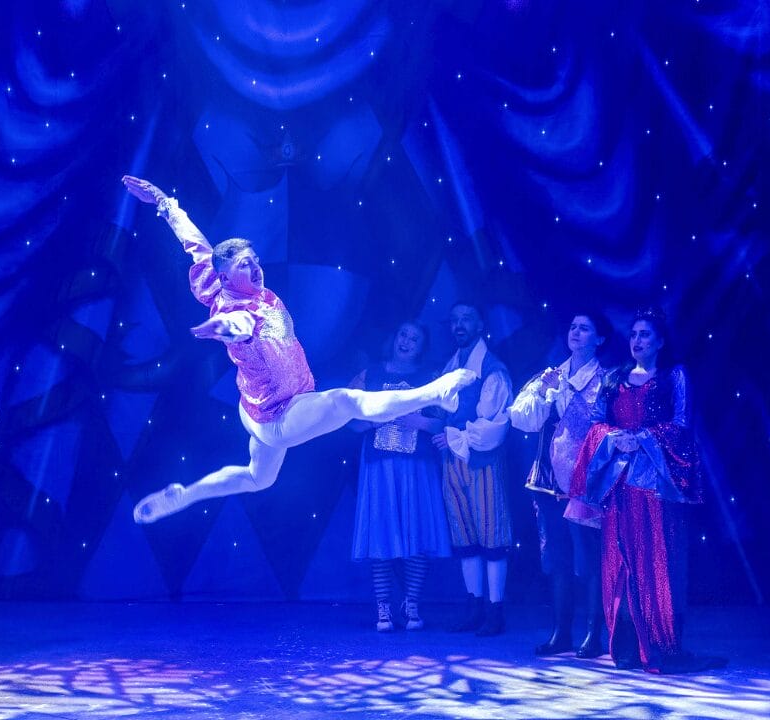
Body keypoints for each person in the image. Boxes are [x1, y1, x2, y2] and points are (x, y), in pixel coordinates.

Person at [121, 175, 475, 524]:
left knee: (258, 478)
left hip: (257, 411)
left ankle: (185, 495)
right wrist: (218, 329)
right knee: (346, 401)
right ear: (227, 277)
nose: (256, 268)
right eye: (245, 265)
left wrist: (165, 203)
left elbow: (194, 242)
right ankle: (436, 393)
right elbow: (236, 326)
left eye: (254, 259)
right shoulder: (239, 312)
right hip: (282, 414)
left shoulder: (221, 281)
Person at [569, 307, 717, 673]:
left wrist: (644, 438)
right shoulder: (615, 378)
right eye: (634, 334)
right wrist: (614, 437)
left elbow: (682, 425)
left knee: (657, 560)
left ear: (660, 341)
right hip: (620, 487)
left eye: (645, 334)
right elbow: (596, 423)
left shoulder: (673, 376)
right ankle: (626, 646)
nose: (637, 340)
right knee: (619, 558)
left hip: (656, 487)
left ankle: (661, 642)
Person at [509, 312, 609, 657]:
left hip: (586, 481)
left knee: (589, 558)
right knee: (556, 557)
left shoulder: (606, 380)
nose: (576, 332)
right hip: (549, 480)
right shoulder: (551, 376)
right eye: (573, 326)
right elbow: (520, 418)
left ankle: (593, 634)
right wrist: (546, 392)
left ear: (599, 339)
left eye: (585, 328)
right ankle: (561, 632)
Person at [349, 321, 452, 632]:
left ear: (422, 346)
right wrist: (374, 420)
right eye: (403, 334)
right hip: (379, 468)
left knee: (417, 534)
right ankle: (383, 607)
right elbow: (348, 420)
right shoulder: (369, 375)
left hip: (417, 467)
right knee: (380, 536)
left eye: (414, 338)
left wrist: (416, 421)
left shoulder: (431, 378)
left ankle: (411, 603)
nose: (406, 341)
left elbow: (444, 422)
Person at [432, 302, 513, 636]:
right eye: (455, 320)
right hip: (452, 461)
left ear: (480, 324)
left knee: (491, 534)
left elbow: (494, 425)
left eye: (466, 319)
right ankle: (474, 605)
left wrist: (455, 437)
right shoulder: (451, 366)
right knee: (464, 535)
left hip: (481, 462)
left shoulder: (492, 369)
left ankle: (495, 610)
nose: (459, 325)